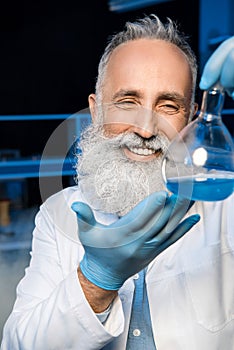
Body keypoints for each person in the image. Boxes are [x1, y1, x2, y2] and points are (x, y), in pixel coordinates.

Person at [1, 15, 234, 350]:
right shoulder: (60, 213)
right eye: (127, 102)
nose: (145, 129)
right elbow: (19, 345)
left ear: (192, 116)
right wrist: (97, 280)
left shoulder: (225, 205)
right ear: (96, 112)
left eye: (168, 106)